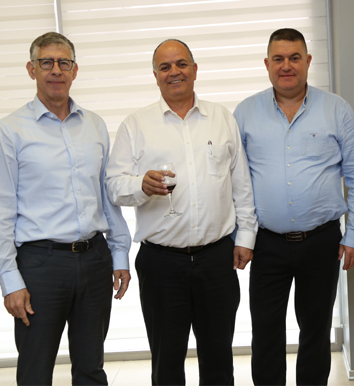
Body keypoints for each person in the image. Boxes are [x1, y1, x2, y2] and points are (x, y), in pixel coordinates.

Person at [105, 39, 257, 385]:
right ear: (155, 76)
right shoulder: (136, 125)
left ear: (195, 69)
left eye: (181, 64)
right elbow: (114, 186)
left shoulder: (221, 118)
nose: (174, 72)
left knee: (219, 362)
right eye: (165, 67)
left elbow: (242, 185)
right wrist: (140, 185)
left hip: (216, 259)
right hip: (161, 263)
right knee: (167, 363)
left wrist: (246, 237)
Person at [0, 32, 131, 386]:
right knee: (35, 371)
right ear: (31, 69)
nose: (56, 70)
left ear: (75, 70)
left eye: (63, 62)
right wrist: (9, 280)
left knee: (91, 369)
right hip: (40, 265)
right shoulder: (9, 131)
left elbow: (105, 196)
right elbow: (0, 210)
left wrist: (119, 254)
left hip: (94, 260)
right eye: (46, 62)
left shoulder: (94, 125)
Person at [233, 28, 354, 386]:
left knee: (315, 331)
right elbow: (234, 181)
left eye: (295, 58)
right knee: (265, 331)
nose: (286, 66)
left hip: (322, 242)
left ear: (308, 61)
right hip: (267, 243)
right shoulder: (245, 113)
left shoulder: (336, 109)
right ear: (267, 64)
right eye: (278, 59)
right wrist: (240, 236)